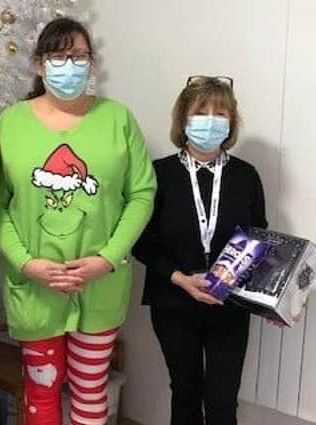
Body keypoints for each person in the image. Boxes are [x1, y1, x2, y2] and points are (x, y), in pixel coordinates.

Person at [0, 17, 156, 425]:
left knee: (90, 388)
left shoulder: (118, 120)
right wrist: (27, 263)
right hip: (35, 286)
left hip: (100, 285)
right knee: (41, 390)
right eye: (58, 56)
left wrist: (107, 258)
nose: (69, 64)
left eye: (78, 56)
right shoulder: (10, 123)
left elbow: (141, 193)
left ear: (91, 62)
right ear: (38, 64)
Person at [132, 75, 268, 425]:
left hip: (230, 303)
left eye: (219, 113)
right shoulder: (157, 173)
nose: (210, 121)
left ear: (231, 123)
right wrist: (180, 279)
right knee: (185, 393)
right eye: (201, 112)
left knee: (223, 401)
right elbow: (142, 241)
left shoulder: (246, 176)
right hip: (174, 301)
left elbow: (258, 238)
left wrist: (272, 300)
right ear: (183, 120)